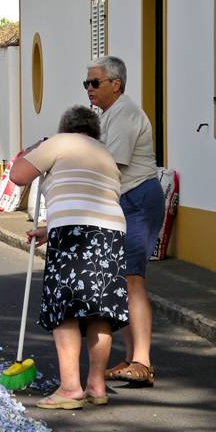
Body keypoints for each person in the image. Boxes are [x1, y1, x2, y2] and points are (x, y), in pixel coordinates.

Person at [10, 105, 128, 409]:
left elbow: (19, 176)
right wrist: (50, 229)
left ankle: (70, 388)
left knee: (65, 308)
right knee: (99, 310)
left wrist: (35, 149)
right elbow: (88, 198)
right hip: (110, 234)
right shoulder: (104, 154)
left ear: (66, 127)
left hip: (73, 234)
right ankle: (96, 385)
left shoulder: (59, 143)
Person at [85, 55, 165, 386]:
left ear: (116, 84)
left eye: (95, 83)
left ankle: (143, 361)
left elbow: (110, 168)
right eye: (86, 83)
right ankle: (132, 358)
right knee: (123, 281)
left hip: (137, 201)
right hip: (125, 202)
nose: (89, 89)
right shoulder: (110, 115)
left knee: (133, 280)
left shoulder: (125, 114)